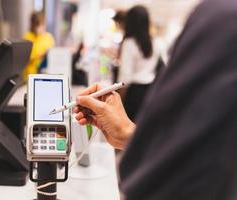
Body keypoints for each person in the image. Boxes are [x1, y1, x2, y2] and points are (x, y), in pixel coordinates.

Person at [74, 0, 237, 199]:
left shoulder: (222, 20)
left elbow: (124, 77)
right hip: (148, 91)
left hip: (132, 93)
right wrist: (127, 132)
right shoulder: (152, 41)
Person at [118, 6, 159, 120]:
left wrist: (120, 100)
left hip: (134, 94)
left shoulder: (129, 43)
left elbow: (125, 78)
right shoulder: (156, 42)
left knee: (130, 130)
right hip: (151, 91)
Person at [23, 12, 55, 81]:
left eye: (43, 24)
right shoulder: (28, 36)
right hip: (30, 75)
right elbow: (27, 56)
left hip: (46, 74)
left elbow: (53, 54)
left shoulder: (48, 37)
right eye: (38, 24)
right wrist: (42, 54)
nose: (41, 27)